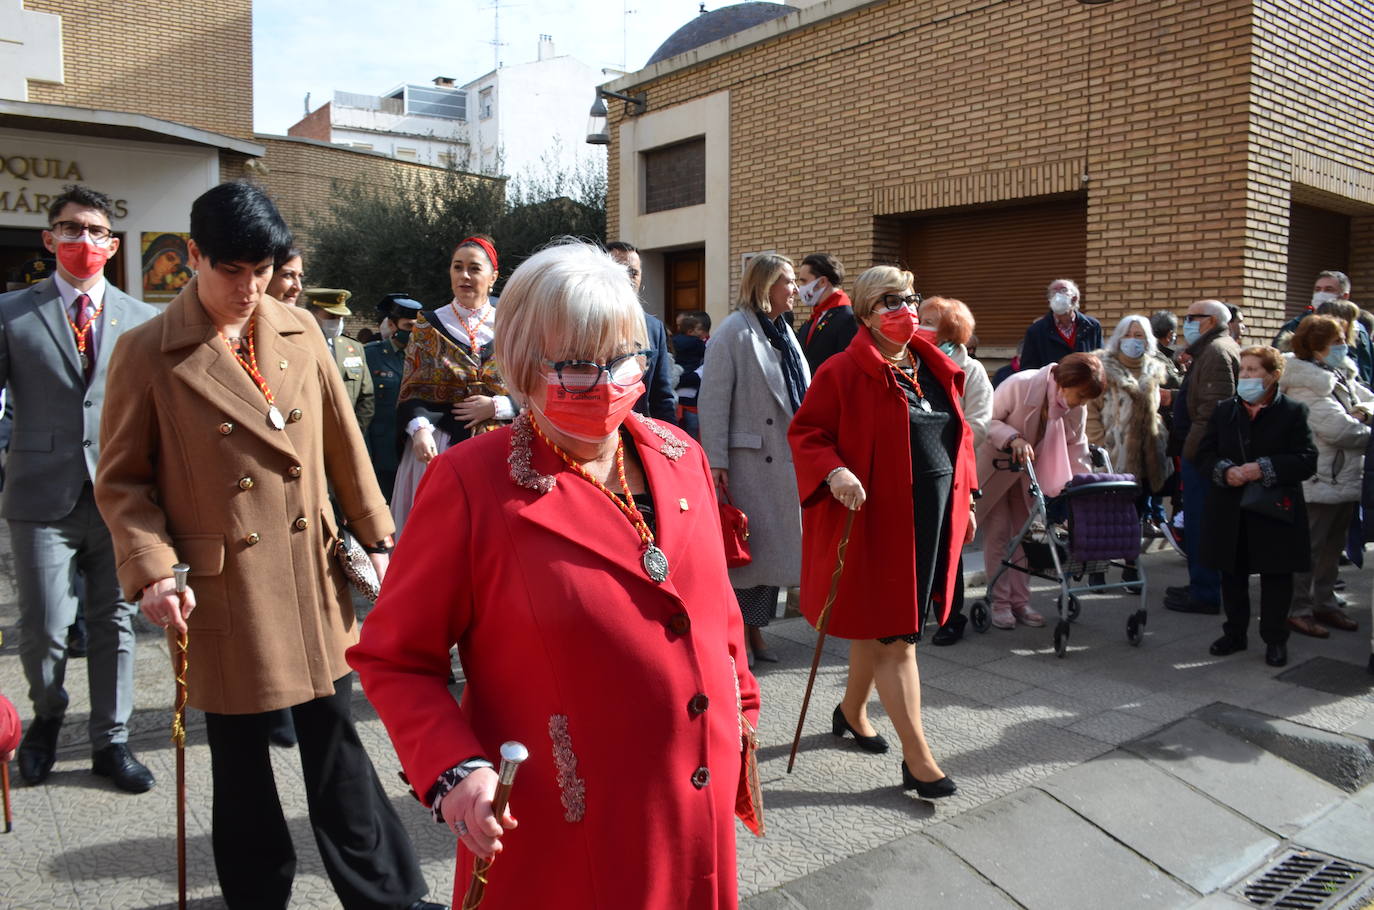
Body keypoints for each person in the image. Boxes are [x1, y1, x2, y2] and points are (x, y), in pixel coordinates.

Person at [347, 241, 761, 910]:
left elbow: (712, 605)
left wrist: (740, 704)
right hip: (562, 822)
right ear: (521, 363)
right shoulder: (470, 484)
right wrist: (456, 771)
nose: (604, 383)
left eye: (622, 359)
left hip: (693, 801)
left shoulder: (680, 455)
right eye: (575, 366)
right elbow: (394, 657)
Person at [94, 182, 443, 910]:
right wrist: (153, 571)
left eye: (262, 268)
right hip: (225, 591)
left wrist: (379, 536)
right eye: (231, 270)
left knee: (337, 747)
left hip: (312, 576)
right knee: (242, 767)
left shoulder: (301, 328)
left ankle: (388, 898)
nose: (248, 287)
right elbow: (122, 483)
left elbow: (344, 443)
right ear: (193, 256)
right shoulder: (147, 353)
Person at [789, 266, 974, 799]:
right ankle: (919, 762)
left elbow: (959, 436)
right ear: (866, 313)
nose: (905, 309)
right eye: (890, 301)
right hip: (875, 518)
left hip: (931, 512)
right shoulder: (842, 372)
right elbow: (807, 432)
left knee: (879, 625)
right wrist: (834, 469)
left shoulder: (932, 365)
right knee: (897, 638)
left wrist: (970, 495)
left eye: (909, 298)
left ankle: (850, 711)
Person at [0, 185, 158, 792]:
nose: (83, 241)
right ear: (50, 238)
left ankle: (110, 741)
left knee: (115, 621)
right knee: (41, 625)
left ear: (112, 246)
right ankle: (46, 715)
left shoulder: (141, 320)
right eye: (70, 229)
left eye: (95, 232)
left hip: (118, 496)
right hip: (39, 497)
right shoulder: (12, 313)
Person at [699, 253, 811, 665]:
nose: (795, 289)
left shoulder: (782, 331)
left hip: (784, 458)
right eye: (787, 282)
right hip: (749, 461)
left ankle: (756, 632)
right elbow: (712, 399)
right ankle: (739, 639)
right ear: (766, 286)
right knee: (748, 555)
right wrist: (715, 460)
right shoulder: (734, 331)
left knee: (771, 554)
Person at [1197, 346, 1317, 668]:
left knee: (1276, 576)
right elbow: (1203, 455)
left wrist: (1263, 468)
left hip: (1274, 509)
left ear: (1274, 376)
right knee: (1232, 573)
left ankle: (1275, 639)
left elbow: (1306, 460)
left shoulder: (1293, 412)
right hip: (1231, 507)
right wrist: (1225, 470)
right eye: (1244, 369)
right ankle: (1235, 634)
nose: (1246, 376)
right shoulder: (1225, 411)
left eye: (1254, 370)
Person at [392, 236, 516, 535]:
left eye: (474, 268)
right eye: (458, 267)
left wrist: (498, 405)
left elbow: (534, 386)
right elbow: (411, 389)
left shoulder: (511, 326)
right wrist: (419, 430)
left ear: (493, 277)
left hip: (500, 444)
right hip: (439, 444)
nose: (464, 276)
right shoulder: (428, 325)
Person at [978, 353, 1105, 629]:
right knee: (998, 534)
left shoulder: (1075, 408)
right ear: (1066, 383)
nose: (1082, 403)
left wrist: (1083, 486)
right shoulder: (1020, 384)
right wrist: (1013, 438)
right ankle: (999, 602)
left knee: (1026, 536)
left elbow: (1077, 447)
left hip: (1030, 476)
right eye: (1080, 395)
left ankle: (1020, 602)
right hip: (996, 469)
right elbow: (986, 420)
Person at [1278, 316, 1372, 638]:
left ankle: (1324, 602)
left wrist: (1363, 413)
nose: (1344, 346)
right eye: (1337, 341)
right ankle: (1298, 609)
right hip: (1319, 480)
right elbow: (1339, 429)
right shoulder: (1304, 382)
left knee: (1332, 549)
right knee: (1309, 550)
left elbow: (1368, 401)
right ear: (1316, 347)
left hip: (1344, 478)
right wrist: (1361, 419)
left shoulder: (1339, 374)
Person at [916, 296, 993, 647]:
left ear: (949, 328)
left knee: (950, 546)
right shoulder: (914, 363)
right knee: (918, 546)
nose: (920, 324)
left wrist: (939, 437)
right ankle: (914, 615)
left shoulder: (972, 370)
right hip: (919, 469)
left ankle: (950, 616)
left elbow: (979, 422)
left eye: (929, 320)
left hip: (954, 468)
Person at [1084, 315, 1174, 589]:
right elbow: (1090, 412)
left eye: (1140, 336)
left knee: (1134, 516)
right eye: (1129, 334)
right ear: (1119, 337)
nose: (1134, 341)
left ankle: (1131, 568)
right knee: (1103, 515)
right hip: (1113, 454)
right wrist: (1101, 448)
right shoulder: (1102, 367)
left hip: (1147, 455)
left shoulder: (1154, 369)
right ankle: (1097, 569)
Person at [1165, 300, 1240, 615]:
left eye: (1191, 318)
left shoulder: (1216, 352)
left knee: (1202, 526)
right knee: (1203, 525)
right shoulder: (1211, 350)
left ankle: (1204, 592)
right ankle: (1201, 583)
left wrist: (1191, 451)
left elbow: (1211, 411)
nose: (1186, 323)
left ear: (1210, 321)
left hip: (1204, 457)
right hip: (1204, 455)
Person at [606, 241, 678, 423]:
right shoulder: (581, 322)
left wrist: (670, 444)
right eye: (619, 270)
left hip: (635, 438)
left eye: (633, 272)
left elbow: (661, 397)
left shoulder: (654, 327)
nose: (628, 278)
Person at [366, 294, 422, 499]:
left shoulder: (425, 358)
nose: (413, 332)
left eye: (417, 327)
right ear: (391, 324)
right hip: (381, 452)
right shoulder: (371, 355)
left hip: (414, 450)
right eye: (408, 327)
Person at [1275, 271, 1374, 384]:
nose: (1321, 294)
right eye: (1317, 289)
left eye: (1328, 289)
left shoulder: (1360, 330)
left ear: (1345, 296)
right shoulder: (1294, 326)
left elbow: (1368, 368)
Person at [302, 288, 374, 434]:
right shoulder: (297, 344)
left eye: (341, 317)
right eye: (332, 316)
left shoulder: (354, 347)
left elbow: (366, 396)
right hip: (308, 433)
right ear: (312, 314)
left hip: (346, 432)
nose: (337, 322)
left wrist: (354, 431)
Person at [1017, 279, 1103, 371]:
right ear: (1049, 300)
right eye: (1053, 292)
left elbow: (1101, 361)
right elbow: (1028, 368)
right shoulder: (1036, 331)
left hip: (1084, 383)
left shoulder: (1092, 326)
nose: (1057, 295)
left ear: (1075, 298)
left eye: (1063, 290)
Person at [795, 253, 854, 374]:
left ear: (822, 281)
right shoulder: (816, 316)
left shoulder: (848, 318)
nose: (799, 288)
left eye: (804, 281)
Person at [672, 310, 709, 437]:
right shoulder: (699, 344)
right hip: (692, 402)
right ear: (691, 331)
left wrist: (677, 378)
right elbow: (697, 378)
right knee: (692, 435)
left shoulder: (673, 341)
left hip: (675, 398)